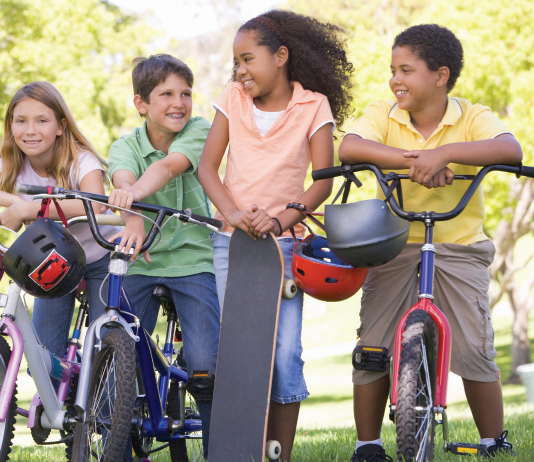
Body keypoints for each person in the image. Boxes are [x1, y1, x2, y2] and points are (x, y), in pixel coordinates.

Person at [338, 24, 522, 461]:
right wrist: (416, 160)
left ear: (440, 76)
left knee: (476, 345)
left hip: (460, 246)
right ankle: (368, 445)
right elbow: (350, 147)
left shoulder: (472, 116)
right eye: (392, 70)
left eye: (406, 70)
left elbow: (510, 150)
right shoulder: (384, 113)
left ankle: (493, 440)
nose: (395, 79)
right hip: (395, 244)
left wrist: (447, 154)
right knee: (373, 345)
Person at [198, 10, 354, 461]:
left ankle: (276, 455)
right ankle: (238, 450)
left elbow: (322, 180)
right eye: (236, 62)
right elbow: (209, 167)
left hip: (283, 247)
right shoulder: (232, 97)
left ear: (280, 56)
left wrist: (282, 221)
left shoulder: (313, 106)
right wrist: (231, 213)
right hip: (233, 244)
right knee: (242, 355)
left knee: (284, 356)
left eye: (248, 59)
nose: (240, 70)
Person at [0, 81, 119, 359]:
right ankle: (61, 396)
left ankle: (99, 392)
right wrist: (17, 203)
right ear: (11, 126)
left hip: (101, 257)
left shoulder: (82, 160)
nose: (30, 130)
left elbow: (94, 205)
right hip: (52, 262)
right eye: (21, 121)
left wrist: (32, 210)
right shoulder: (12, 162)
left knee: (106, 352)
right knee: (42, 357)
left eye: (42, 120)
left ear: (61, 126)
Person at [106, 54, 220, 458]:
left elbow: (171, 167)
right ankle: (115, 443)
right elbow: (121, 176)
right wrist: (128, 208)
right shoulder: (127, 145)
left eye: (186, 93)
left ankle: (218, 450)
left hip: (193, 259)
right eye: (166, 94)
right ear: (141, 104)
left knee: (206, 364)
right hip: (144, 262)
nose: (179, 102)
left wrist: (134, 196)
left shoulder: (199, 130)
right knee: (115, 355)